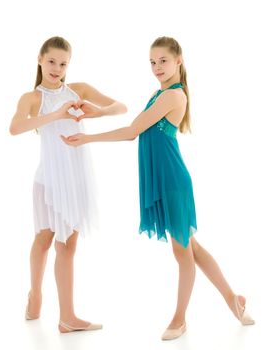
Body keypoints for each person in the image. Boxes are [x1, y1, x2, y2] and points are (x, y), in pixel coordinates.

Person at [61, 36, 255, 340]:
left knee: (183, 253)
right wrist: (96, 113)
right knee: (191, 247)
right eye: (152, 62)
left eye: (162, 60)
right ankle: (233, 299)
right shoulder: (158, 94)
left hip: (174, 183)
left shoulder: (173, 96)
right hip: (165, 181)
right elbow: (136, 126)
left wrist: (87, 138)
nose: (156, 67)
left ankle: (180, 319)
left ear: (178, 60)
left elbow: (131, 132)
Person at [9, 36, 127, 333]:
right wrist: (57, 114)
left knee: (69, 245)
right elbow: (15, 127)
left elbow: (120, 107)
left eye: (63, 64)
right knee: (44, 240)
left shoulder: (80, 90)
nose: (57, 68)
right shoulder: (32, 98)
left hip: (76, 177)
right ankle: (35, 294)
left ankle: (67, 317)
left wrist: (96, 111)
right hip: (48, 179)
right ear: (40, 59)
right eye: (52, 61)